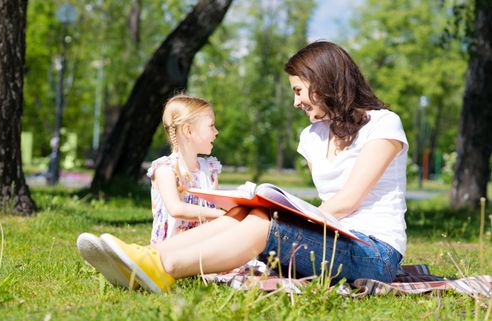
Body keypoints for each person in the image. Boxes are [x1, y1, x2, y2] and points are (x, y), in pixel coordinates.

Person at [83, 40, 408, 294]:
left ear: (323, 82)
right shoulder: (311, 137)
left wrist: (289, 215)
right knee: (244, 212)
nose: (296, 102)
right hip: (330, 236)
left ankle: (164, 268)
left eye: (298, 90)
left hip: (373, 252)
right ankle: (146, 257)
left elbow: (348, 201)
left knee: (261, 223)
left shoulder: (383, 125)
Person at [77, 94, 226, 288]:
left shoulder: (210, 169)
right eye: (211, 126)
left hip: (204, 246)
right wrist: (218, 214)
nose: (216, 132)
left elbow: (216, 203)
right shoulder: (165, 169)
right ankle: (131, 263)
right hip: (171, 248)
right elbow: (176, 208)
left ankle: (126, 267)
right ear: (189, 131)